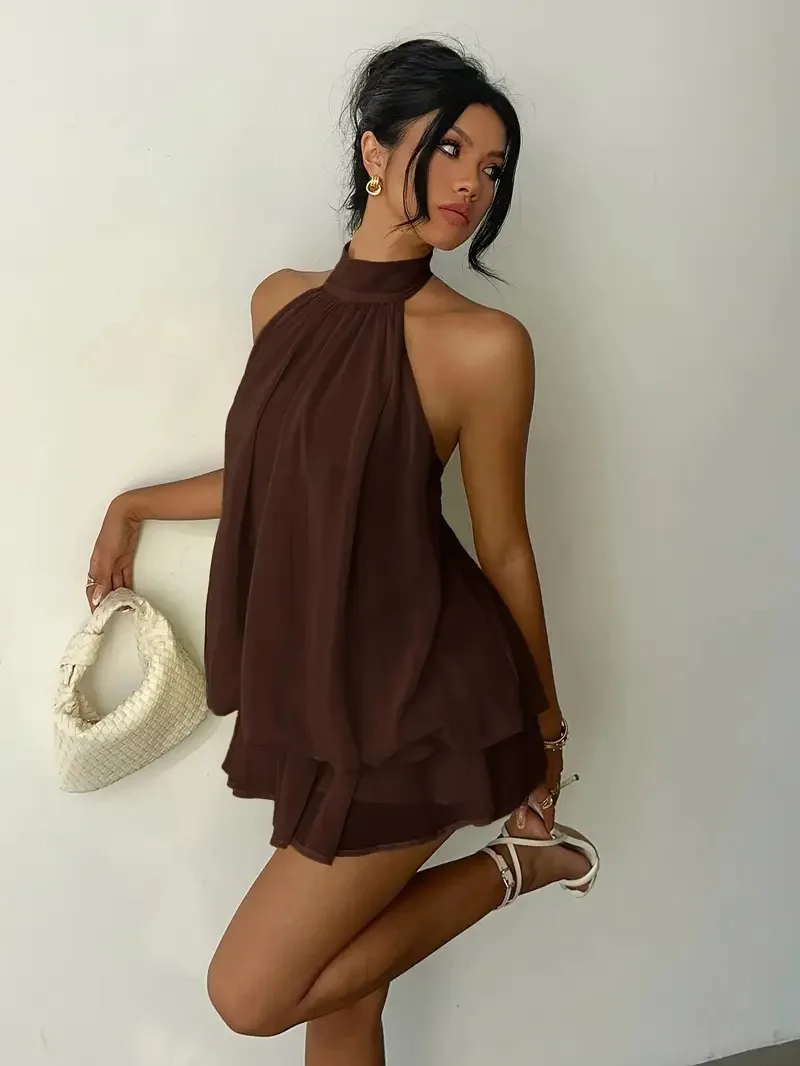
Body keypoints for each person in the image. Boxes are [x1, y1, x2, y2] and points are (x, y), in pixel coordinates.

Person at [86, 38, 598, 1066]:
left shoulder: (485, 347)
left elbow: (504, 549)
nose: (471, 184)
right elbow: (277, 480)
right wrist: (134, 505)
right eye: (448, 148)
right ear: (374, 150)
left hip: (424, 700)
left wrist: (545, 728)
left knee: (250, 992)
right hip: (323, 695)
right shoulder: (280, 304)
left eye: (492, 168)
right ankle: (523, 864)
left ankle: (526, 864)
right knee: (347, 1004)